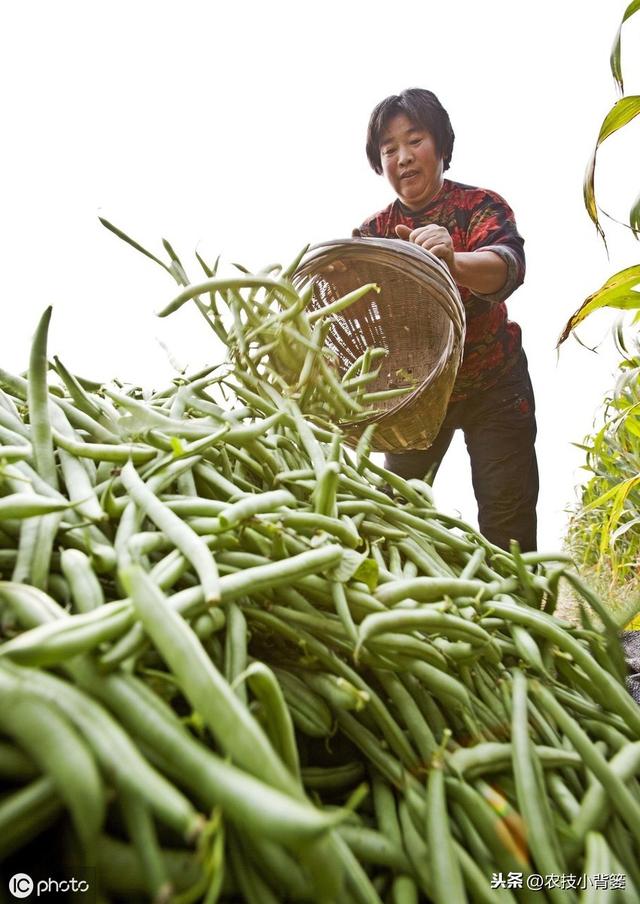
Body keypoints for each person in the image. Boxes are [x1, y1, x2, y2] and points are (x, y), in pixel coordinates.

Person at [354, 88, 538, 552]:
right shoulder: (372, 235)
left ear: (441, 146)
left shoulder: (479, 206)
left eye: (414, 140)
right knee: (393, 516)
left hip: (494, 386)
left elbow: (507, 265)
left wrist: (453, 260)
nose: (404, 157)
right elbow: (354, 311)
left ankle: (523, 619)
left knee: (507, 525)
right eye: (389, 149)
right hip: (416, 397)